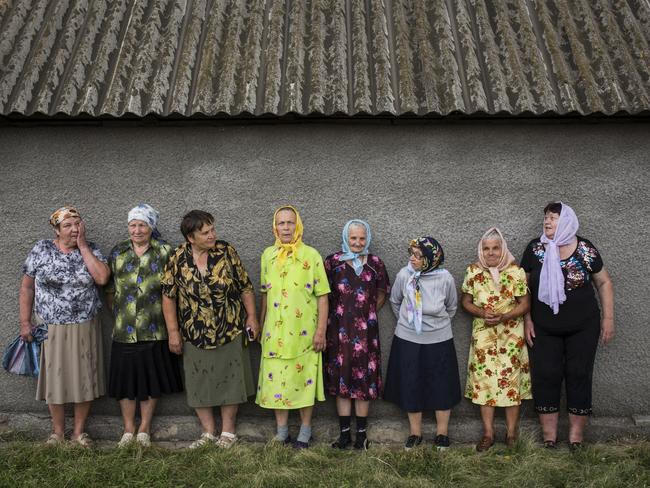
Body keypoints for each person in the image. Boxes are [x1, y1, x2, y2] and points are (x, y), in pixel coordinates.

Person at [161, 210, 259, 449]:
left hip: (229, 329)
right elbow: (168, 296)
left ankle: (228, 432)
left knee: (230, 380)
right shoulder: (177, 258)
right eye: (205, 232)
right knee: (198, 381)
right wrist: (173, 332)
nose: (212, 235)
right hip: (194, 333)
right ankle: (208, 433)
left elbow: (245, 286)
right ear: (190, 237)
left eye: (213, 229)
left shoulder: (226, 251)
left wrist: (252, 317)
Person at [521, 202, 614, 450]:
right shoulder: (535, 249)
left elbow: (603, 282)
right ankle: (549, 437)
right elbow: (523, 288)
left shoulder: (585, 249)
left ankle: (576, 438)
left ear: (567, 221)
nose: (547, 222)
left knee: (579, 374)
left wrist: (608, 318)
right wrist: (527, 319)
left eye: (553, 218)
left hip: (583, 326)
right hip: (543, 327)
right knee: (546, 375)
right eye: (546, 218)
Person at [19, 206, 109, 447]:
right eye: (67, 225)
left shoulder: (92, 249)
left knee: (84, 377)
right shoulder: (41, 249)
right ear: (56, 230)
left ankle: (79, 432)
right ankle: (57, 432)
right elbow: (27, 287)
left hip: (84, 324)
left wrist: (83, 247)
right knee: (55, 379)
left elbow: (102, 278)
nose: (73, 229)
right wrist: (25, 322)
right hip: (51, 325)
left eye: (77, 223)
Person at [105, 204, 183, 448]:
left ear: (151, 227)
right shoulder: (118, 252)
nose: (137, 230)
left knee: (150, 381)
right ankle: (128, 429)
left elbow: (174, 290)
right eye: (133, 225)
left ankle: (144, 429)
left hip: (155, 328)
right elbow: (109, 290)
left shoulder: (165, 252)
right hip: (123, 330)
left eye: (142, 225)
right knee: (125, 383)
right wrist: (121, 314)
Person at [255, 205, 330, 449]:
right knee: (277, 380)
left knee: (303, 379)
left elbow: (322, 296)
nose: (285, 227)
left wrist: (321, 331)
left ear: (297, 225)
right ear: (274, 227)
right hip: (274, 332)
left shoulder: (311, 255)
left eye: (289, 223)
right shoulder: (268, 255)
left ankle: (305, 431)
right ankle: (282, 432)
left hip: (304, 333)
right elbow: (265, 293)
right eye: (281, 223)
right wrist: (261, 323)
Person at [384, 237, 461, 451]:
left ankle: (442, 434)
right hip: (408, 339)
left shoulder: (445, 278)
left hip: (440, 339)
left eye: (418, 255)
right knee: (411, 383)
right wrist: (411, 323)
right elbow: (395, 301)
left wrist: (434, 326)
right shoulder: (404, 274)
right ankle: (415, 433)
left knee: (442, 385)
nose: (412, 258)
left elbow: (451, 307)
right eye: (412, 253)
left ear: (430, 258)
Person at [461, 227, 531, 451]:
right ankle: (488, 434)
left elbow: (525, 304)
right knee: (484, 384)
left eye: (495, 248)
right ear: (481, 251)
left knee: (511, 384)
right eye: (486, 248)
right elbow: (466, 302)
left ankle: (511, 434)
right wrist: (482, 313)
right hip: (484, 336)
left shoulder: (516, 271)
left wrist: (505, 316)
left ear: (503, 249)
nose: (491, 253)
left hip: (511, 337)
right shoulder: (473, 271)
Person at [324, 220, 390, 450]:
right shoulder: (332, 262)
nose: (357, 243)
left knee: (363, 381)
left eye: (362, 238)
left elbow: (381, 294)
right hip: (339, 332)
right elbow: (324, 296)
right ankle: (344, 436)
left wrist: (365, 313)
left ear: (367, 238)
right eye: (353, 238)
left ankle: (361, 436)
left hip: (366, 333)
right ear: (345, 238)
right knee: (341, 380)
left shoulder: (375, 264)